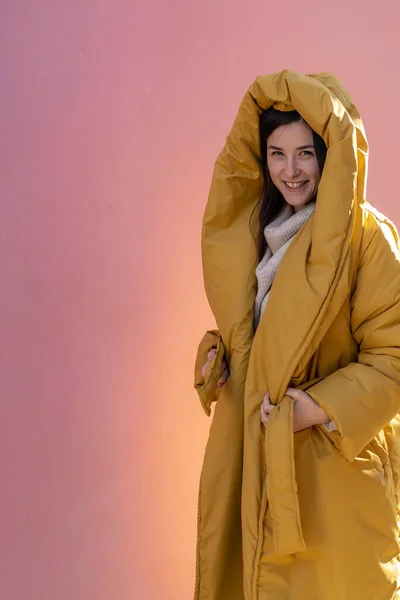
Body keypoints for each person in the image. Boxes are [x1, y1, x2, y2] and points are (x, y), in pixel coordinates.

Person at [193, 70, 400, 600]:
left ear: (330, 153)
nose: (290, 170)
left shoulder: (369, 240)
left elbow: (393, 358)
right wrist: (228, 356)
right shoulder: (258, 231)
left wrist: (318, 407)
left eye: (305, 153)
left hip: (327, 470)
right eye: (276, 153)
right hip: (254, 452)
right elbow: (271, 332)